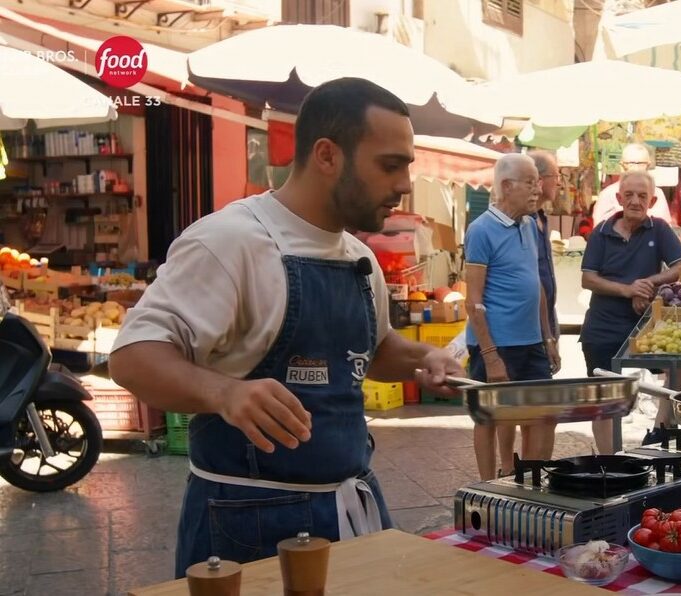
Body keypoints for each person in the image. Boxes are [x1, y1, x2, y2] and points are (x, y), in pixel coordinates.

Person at [107, 79, 464, 577]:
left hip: (354, 508)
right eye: (390, 164)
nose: (404, 184)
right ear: (326, 155)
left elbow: (373, 347)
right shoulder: (231, 242)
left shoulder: (358, 256)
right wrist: (224, 393)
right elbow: (132, 356)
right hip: (249, 522)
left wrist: (424, 358)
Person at [580, 171, 681, 454]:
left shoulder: (660, 230)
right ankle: (609, 460)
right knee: (603, 395)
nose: (635, 201)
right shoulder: (601, 233)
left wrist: (648, 285)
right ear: (619, 198)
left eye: (642, 196)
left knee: (680, 364)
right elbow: (588, 279)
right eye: (628, 195)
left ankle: (660, 429)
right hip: (603, 325)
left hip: (647, 323)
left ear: (651, 200)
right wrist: (628, 290)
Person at [466, 153, 560, 480]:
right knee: (489, 417)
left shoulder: (531, 225)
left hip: (532, 341)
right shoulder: (481, 230)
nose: (538, 190)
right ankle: (488, 486)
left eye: (539, 182)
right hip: (497, 343)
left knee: (543, 414)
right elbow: (473, 301)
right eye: (530, 183)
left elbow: (537, 286)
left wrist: (548, 337)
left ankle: (531, 482)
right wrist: (491, 357)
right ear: (506, 186)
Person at [528, 150, 561, 459]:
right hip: (526, 328)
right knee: (533, 410)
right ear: (539, 180)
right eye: (556, 176)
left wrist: (552, 332)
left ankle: (534, 471)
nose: (559, 182)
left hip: (545, 322)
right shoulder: (522, 220)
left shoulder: (541, 218)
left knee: (542, 410)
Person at [592, 143, 674, 225]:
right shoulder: (607, 194)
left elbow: (665, 227)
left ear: (648, 166)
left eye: (641, 163)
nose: (636, 168)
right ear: (622, 166)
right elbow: (599, 228)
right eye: (631, 163)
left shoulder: (657, 194)